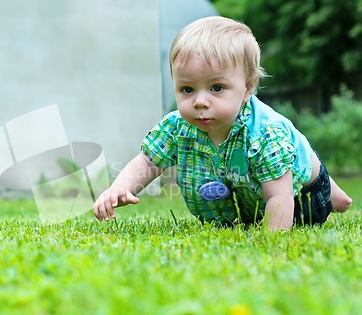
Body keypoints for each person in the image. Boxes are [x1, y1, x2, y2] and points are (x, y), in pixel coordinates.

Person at [93, 16, 352, 230]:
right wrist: (120, 187)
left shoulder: (264, 136)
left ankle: (333, 195)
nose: (200, 101)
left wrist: (272, 242)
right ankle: (335, 193)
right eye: (187, 89)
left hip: (299, 199)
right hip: (250, 198)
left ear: (248, 87)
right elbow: (149, 161)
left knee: (306, 164)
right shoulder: (177, 128)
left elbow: (278, 196)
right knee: (295, 150)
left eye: (217, 88)